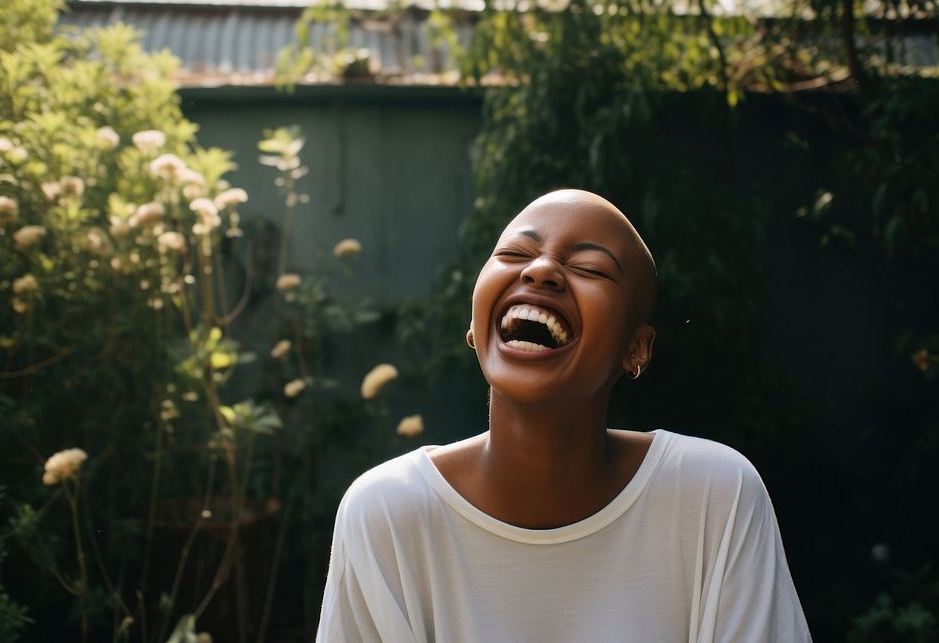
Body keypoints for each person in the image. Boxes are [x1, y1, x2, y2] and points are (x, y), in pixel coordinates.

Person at [317, 189, 812, 642]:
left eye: (592, 269)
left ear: (635, 348)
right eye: (514, 255)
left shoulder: (712, 496)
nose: (540, 271)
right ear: (474, 323)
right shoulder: (386, 514)